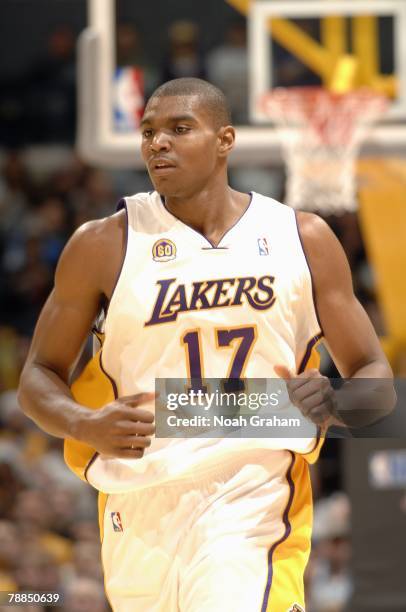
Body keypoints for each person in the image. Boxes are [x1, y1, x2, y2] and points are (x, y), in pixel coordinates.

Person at [18, 78, 395, 612]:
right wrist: (81, 423)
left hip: (251, 488)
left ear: (225, 140)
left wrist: (335, 399)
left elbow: (376, 379)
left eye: (179, 128)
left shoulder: (301, 238)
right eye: (149, 132)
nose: (157, 143)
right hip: (136, 499)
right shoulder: (103, 243)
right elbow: (38, 376)